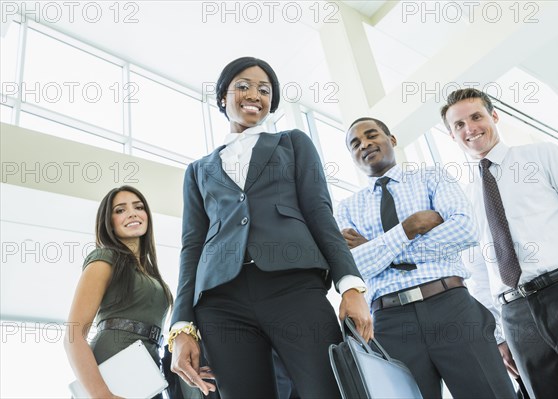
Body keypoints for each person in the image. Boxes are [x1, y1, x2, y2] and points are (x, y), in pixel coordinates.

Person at [168, 56, 373, 399]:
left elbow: (320, 214)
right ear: (223, 97)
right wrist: (181, 326)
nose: (254, 95)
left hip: (293, 287)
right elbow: (192, 246)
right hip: (220, 301)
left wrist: (351, 286)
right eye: (243, 86)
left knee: (329, 390)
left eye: (264, 90)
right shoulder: (198, 170)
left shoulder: (293, 143)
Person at [336, 117, 517, 398]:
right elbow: (355, 266)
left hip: (451, 307)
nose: (365, 144)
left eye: (372, 135)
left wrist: (376, 247)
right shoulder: (346, 209)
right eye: (355, 144)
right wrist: (409, 229)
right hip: (390, 324)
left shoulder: (433, 177)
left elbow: (464, 230)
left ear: (392, 140)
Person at [442, 88, 558, 398]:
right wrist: (500, 336)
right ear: (451, 135)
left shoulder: (542, 156)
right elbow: (479, 273)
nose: (470, 129)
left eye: (476, 117)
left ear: (494, 117)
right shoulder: (465, 198)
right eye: (459, 125)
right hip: (517, 318)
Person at [64, 186, 175, 399]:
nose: (132, 213)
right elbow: (73, 336)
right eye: (120, 210)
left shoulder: (151, 272)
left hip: (148, 371)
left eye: (138, 207)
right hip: (112, 369)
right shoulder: (105, 258)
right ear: (109, 223)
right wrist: (102, 395)